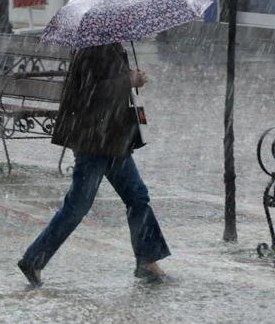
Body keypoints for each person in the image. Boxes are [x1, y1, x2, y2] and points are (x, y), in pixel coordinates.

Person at [17, 42, 170, 287]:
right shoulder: (93, 48)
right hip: (94, 142)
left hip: (112, 141)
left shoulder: (108, 45)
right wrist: (128, 80)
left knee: (137, 196)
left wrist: (131, 79)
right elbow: (91, 92)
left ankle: (147, 262)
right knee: (77, 206)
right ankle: (34, 259)